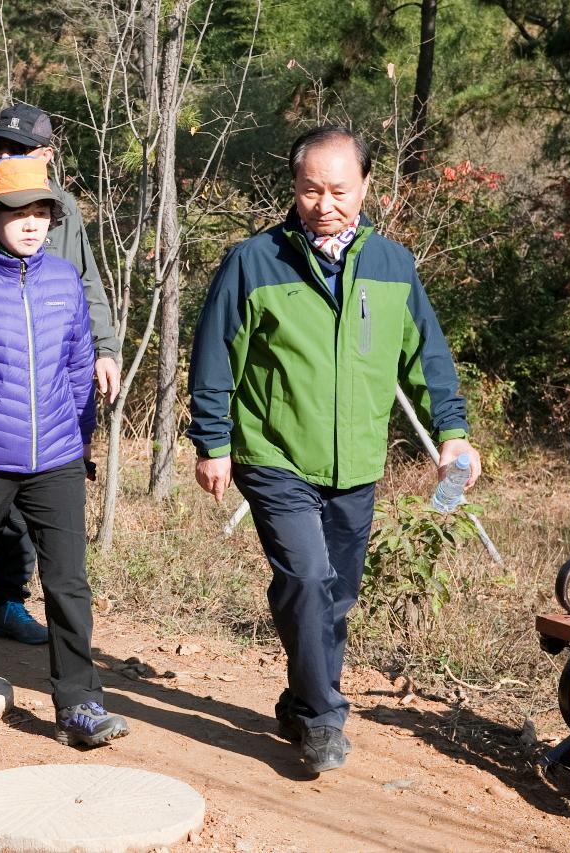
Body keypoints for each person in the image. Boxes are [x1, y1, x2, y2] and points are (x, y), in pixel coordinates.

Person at [187, 125, 481, 775]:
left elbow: (426, 356)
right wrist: (213, 441)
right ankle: (323, 718)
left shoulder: (393, 265)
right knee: (307, 577)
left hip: (356, 462)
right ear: (294, 187)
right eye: (310, 188)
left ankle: (298, 697)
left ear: (366, 186)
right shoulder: (254, 261)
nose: (324, 202)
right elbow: (214, 353)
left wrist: (452, 430)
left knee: (337, 592)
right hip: (272, 452)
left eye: (338, 189)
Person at [0, 155, 130, 747]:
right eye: (19, 213)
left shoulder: (65, 280)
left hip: (57, 458)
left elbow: (77, 367)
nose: (32, 224)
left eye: (41, 212)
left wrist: (80, 443)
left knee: (68, 583)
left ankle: (79, 703)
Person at [0, 103, 120, 645]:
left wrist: (105, 347)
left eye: (23, 150)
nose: (8, 156)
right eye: (1, 146)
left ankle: (9, 599)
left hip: (45, 382)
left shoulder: (60, 209)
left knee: (32, 509)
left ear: (47, 156)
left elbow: (84, 283)